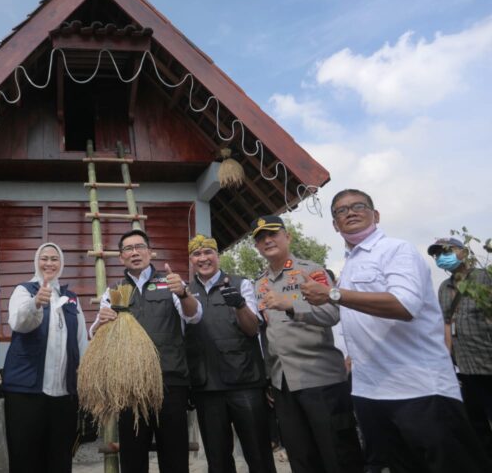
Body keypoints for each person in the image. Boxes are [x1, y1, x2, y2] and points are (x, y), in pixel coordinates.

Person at [301, 189, 491, 473]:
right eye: (341, 211)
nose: (350, 212)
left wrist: (333, 294)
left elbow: (404, 305)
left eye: (358, 206)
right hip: (371, 391)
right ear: (334, 225)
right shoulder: (350, 263)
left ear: (375, 215)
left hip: (419, 389)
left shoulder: (396, 250)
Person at [252, 215, 363, 473]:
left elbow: (331, 315)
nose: (267, 240)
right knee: (301, 458)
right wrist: (271, 377)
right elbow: (269, 333)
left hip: (320, 379)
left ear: (287, 237)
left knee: (338, 455)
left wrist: (290, 304)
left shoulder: (310, 271)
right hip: (283, 384)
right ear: (257, 247)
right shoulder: (260, 283)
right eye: (260, 238)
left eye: (273, 234)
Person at [91, 228, 201, 473]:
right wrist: (101, 321)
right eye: (128, 249)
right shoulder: (114, 291)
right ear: (121, 258)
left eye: (139, 247)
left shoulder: (170, 282)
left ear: (151, 252)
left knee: (174, 457)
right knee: (133, 457)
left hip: (170, 382)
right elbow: (96, 334)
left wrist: (183, 293)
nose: (135, 252)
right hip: (130, 387)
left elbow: (194, 316)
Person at [183, 234, 276, 473]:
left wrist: (240, 306)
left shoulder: (240, 283)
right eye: (197, 254)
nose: (203, 258)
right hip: (207, 386)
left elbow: (252, 328)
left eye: (208, 253)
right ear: (191, 259)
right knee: (218, 459)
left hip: (244, 382)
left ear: (218, 255)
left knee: (258, 453)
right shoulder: (184, 292)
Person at [1, 242, 89, 473]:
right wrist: (35, 304)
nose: (49, 263)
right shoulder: (24, 290)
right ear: (36, 262)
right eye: (44, 258)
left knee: (60, 456)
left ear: (61, 264)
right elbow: (19, 323)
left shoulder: (71, 298)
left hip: (63, 392)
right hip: (26, 390)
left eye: (54, 259)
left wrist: (85, 382)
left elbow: (81, 342)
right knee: (25, 456)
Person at [428, 236, 492, 460]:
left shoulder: (485, 278)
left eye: (447, 251)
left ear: (464, 252)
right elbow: (446, 323)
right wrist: (446, 361)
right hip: (464, 367)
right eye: (437, 254)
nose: (441, 257)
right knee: (476, 425)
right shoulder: (444, 288)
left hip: (488, 362)